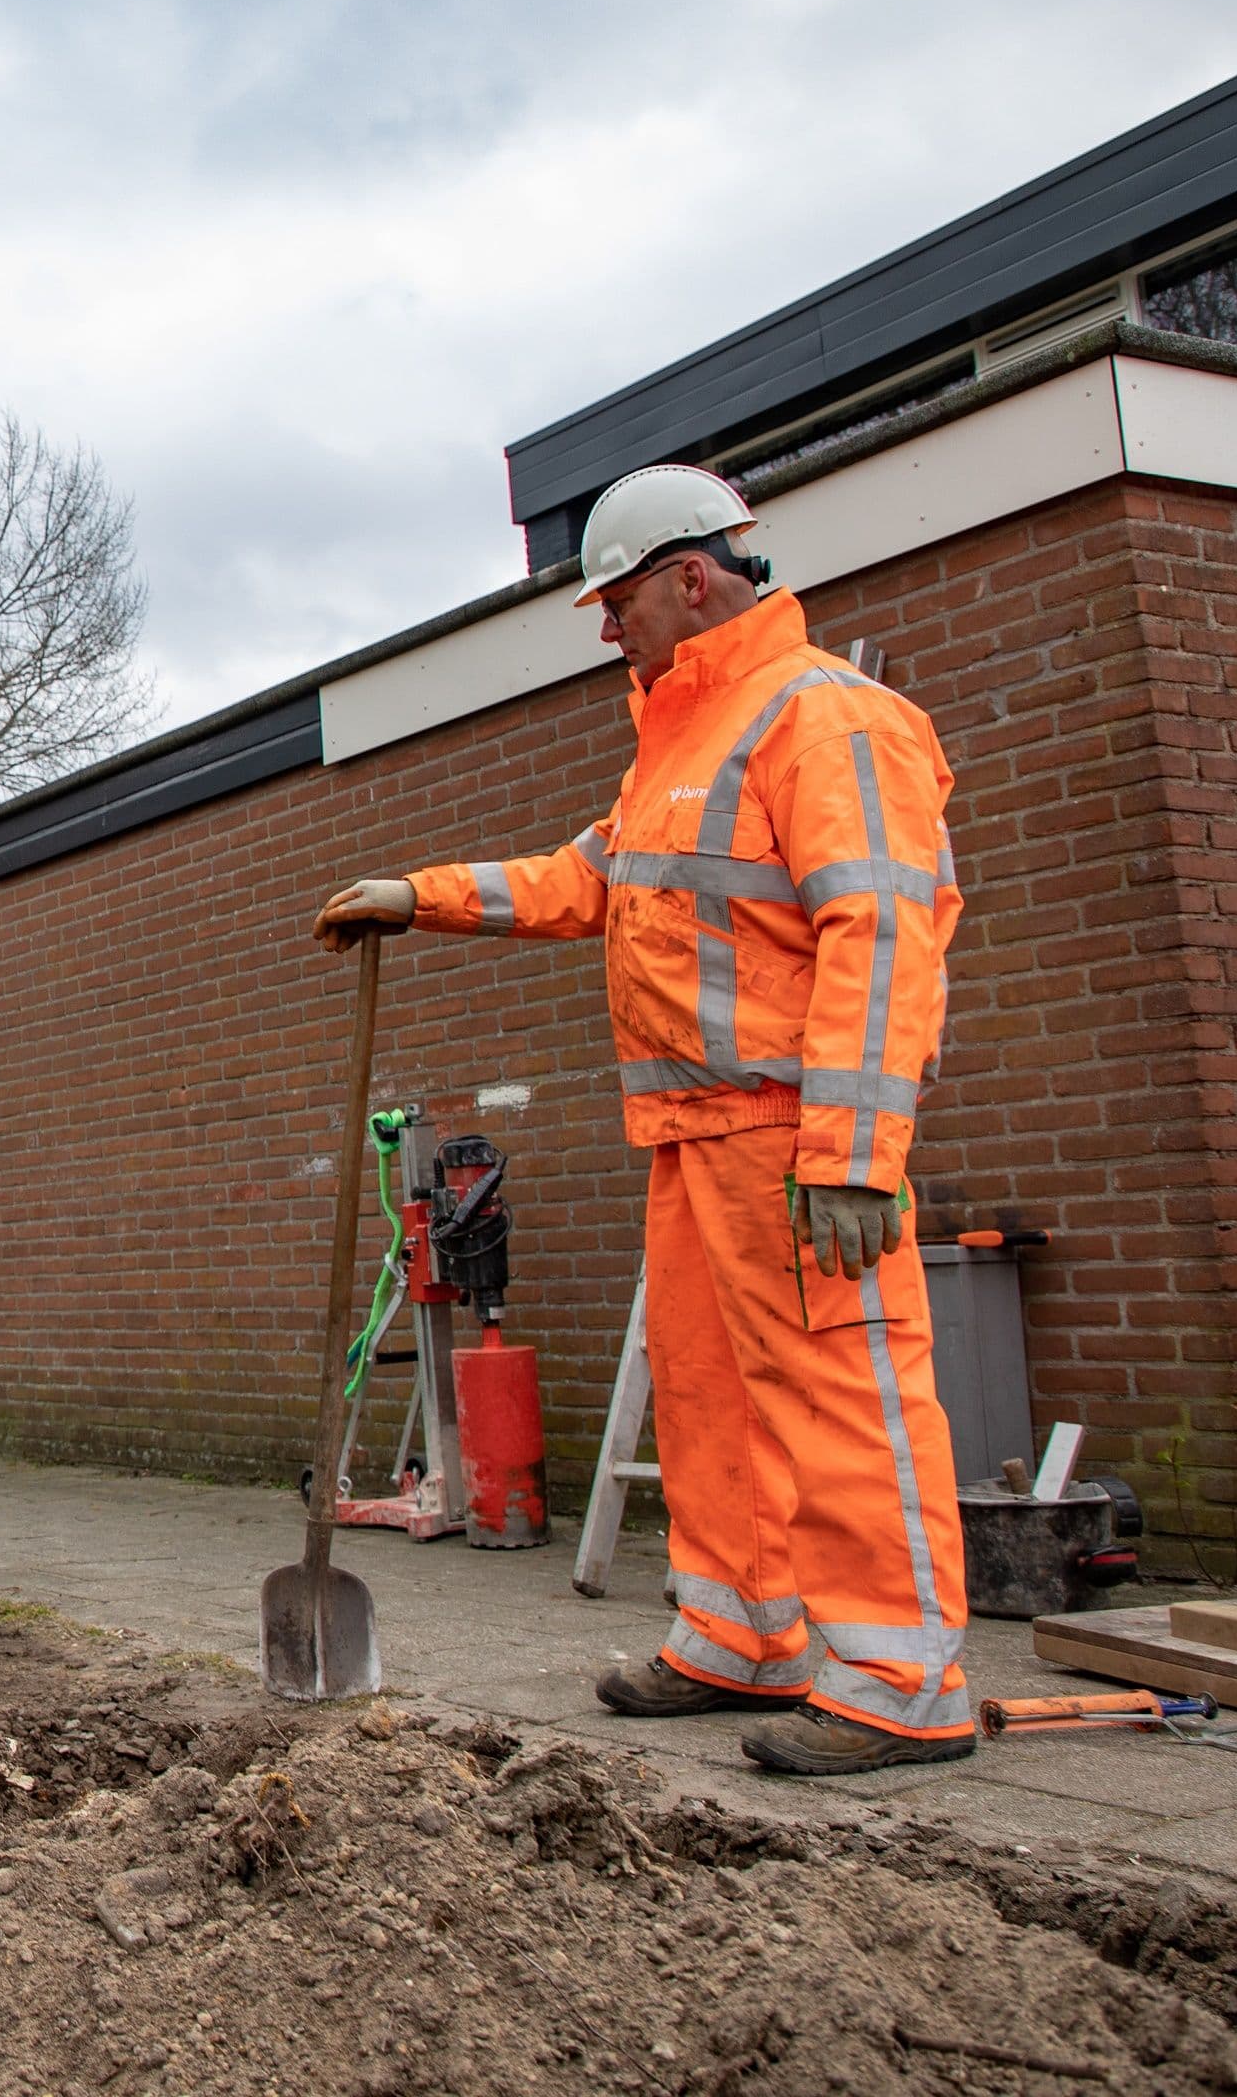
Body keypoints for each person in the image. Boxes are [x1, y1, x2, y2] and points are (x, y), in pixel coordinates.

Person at [312, 464, 973, 1778]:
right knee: (710, 1396)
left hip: (794, 1147)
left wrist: (851, 1158)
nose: (607, 627)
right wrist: (419, 895)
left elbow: (885, 938)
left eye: (616, 601)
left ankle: (903, 1682)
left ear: (690, 575)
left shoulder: (827, 719)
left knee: (848, 1399)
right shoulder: (681, 739)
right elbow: (584, 882)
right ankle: (746, 1636)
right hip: (693, 1145)